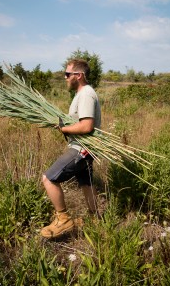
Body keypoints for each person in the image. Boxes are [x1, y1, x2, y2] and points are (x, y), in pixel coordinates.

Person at [41, 59, 101, 239]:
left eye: (68, 74)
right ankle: (95, 219)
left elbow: (86, 126)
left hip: (81, 148)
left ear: (79, 75)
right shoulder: (79, 94)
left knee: (48, 179)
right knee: (86, 183)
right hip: (84, 147)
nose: (65, 78)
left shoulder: (86, 94)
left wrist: (63, 129)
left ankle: (63, 219)